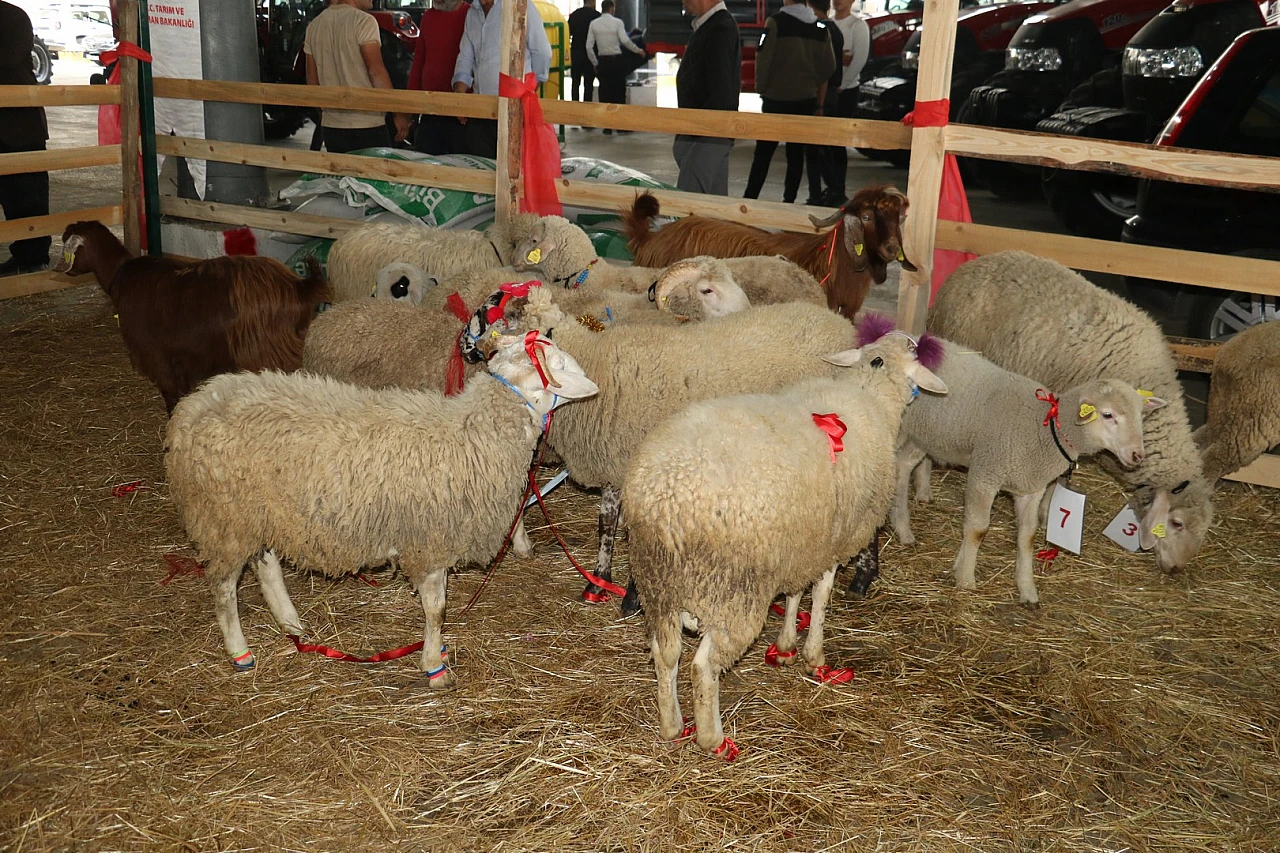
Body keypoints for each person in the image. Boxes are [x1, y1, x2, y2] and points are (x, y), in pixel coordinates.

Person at [742, 0, 835, 204]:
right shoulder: (820, 28)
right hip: (806, 100)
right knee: (795, 156)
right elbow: (829, 66)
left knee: (763, 154)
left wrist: (762, 88)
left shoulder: (775, 23)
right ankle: (789, 200)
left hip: (776, 99)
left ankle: (750, 199)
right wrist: (811, 83)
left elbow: (763, 58)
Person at [304, 0, 411, 154]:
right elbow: (376, 72)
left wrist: (324, 117)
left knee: (344, 177)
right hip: (367, 123)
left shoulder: (314, 26)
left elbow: (312, 81)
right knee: (373, 177)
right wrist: (398, 113)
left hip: (332, 127)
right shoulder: (363, 21)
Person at [452, 0, 553, 158]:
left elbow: (542, 52)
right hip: (481, 110)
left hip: (514, 110)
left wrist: (530, 88)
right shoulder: (472, 13)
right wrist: (460, 97)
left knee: (512, 172)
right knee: (483, 169)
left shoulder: (519, 5)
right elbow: (465, 57)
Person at [0, 0, 51, 276]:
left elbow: (7, 57)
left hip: (20, 127)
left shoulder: (14, 17)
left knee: (27, 197)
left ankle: (32, 258)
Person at [673, 0, 740, 196]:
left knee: (688, 209)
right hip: (706, 136)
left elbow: (721, 93)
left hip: (708, 137)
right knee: (713, 207)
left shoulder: (719, 29)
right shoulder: (711, 26)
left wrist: (699, 135)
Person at [407, 0, 470, 155]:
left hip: (462, 114)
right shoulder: (428, 16)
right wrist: (408, 108)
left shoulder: (471, 16)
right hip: (430, 110)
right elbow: (418, 63)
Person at [823, 0, 871, 202]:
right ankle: (831, 186)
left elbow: (859, 59)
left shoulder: (857, 26)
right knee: (824, 142)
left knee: (837, 143)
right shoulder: (828, 24)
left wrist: (841, 84)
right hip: (828, 91)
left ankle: (838, 188)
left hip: (846, 92)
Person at [804, 0, 845, 206]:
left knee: (815, 150)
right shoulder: (835, 29)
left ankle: (823, 193)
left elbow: (823, 72)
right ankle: (830, 191)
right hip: (830, 95)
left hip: (822, 95)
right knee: (822, 148)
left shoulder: (821, 30)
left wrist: (818, 105)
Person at [586, 0, 645, 127]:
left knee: (605, 92)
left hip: (603, 61)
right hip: (617, 61)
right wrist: (638, 50)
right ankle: (620, 126)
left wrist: (595, 63)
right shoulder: (617, 22)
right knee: (619, 92)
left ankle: (606, 126)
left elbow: (588, 47)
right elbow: (625, 41)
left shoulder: (594, 24)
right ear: (612, 8)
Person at [567, 0, 601, 104]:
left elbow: (569, 32)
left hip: (576, 52)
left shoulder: (575, 14)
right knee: (588, 83)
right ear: (593, 2)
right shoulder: (597, 16)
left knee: (575, 82)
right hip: (591, 54)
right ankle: (587, 107)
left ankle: (574, 105)